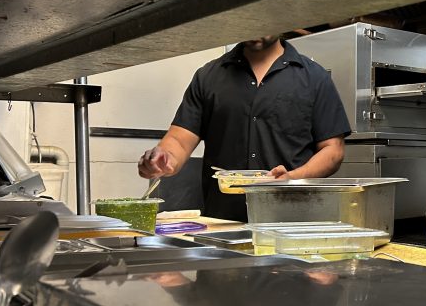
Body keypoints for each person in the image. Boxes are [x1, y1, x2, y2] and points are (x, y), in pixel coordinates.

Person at [138, 34, 351, 221]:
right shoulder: (209, 76)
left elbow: (333, 150)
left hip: (292, 222)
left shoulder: (314, 77)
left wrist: (291, 178)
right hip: (223, 225)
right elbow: (179, 140)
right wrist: (162, 159)